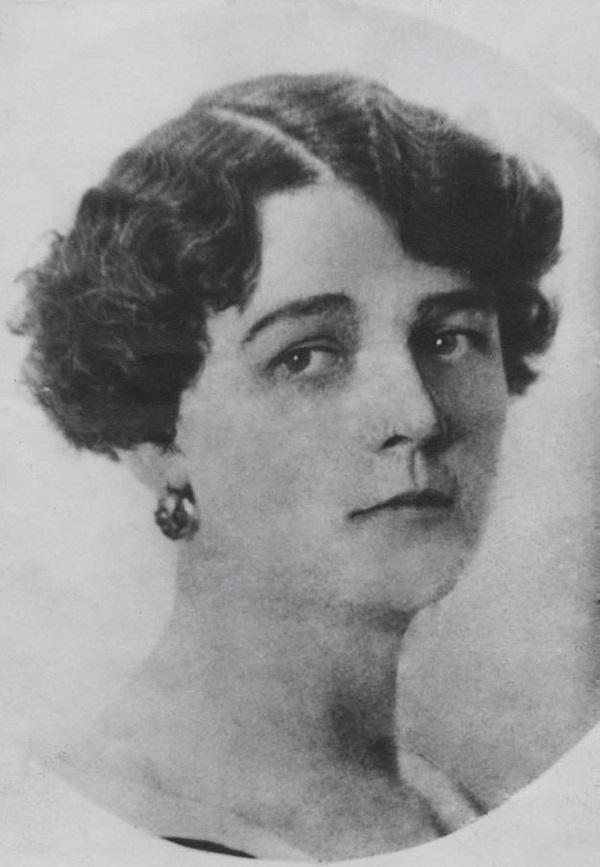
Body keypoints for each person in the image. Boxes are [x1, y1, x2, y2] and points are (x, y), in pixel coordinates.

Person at [14, 73, 562, 861]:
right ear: (157, 431)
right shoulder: (110, 831)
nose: (417, 415)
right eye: (306, 355)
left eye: (449, 337)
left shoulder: (447, 808)